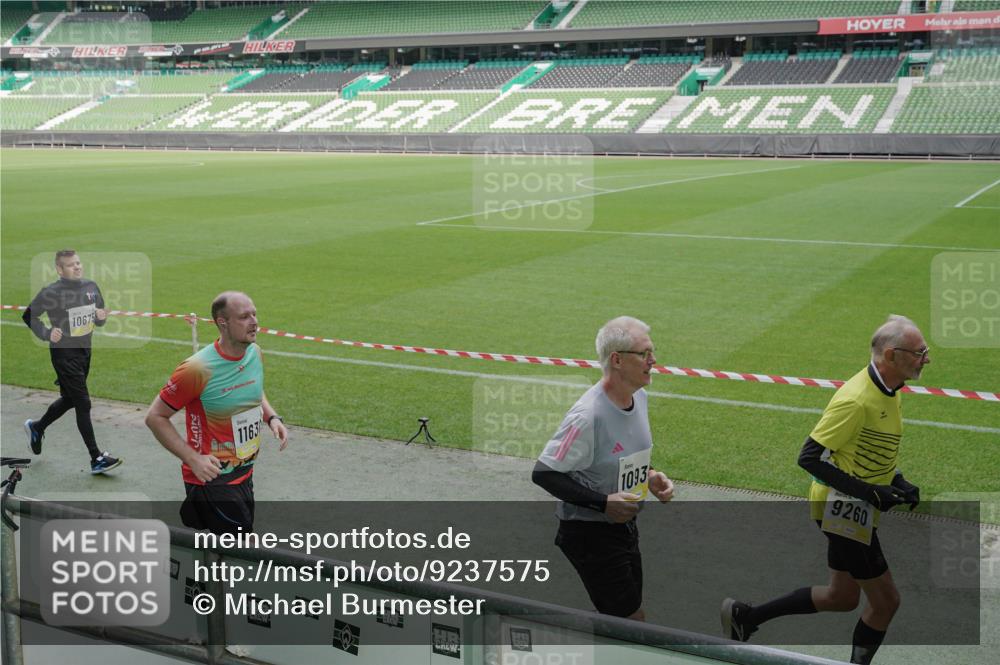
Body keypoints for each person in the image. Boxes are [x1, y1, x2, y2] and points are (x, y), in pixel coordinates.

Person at [721, 315, 928, 665]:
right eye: (920, 351)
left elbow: (865, 449)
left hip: (855, 507)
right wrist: (869, 492)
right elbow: (810, 458)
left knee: (842, 596)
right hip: (842, 512)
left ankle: (746, 616)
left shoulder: (890, 389)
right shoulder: (855, 399)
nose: (926, 358)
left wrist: (896, 481)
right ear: (892, 355)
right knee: (885, 602)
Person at [532, 316, 675, 621]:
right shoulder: (587, 416)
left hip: (624, 526)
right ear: (617, 360)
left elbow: (620, 455)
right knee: (632, 620)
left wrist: (650, 477)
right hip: (588, 534)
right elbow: (544, 473)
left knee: (620, 614)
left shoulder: (640, 398)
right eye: (645, 353)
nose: (654, 360)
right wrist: (603, 503)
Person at [145, 291, 288, 534]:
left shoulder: (254, 352)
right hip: (213, 480)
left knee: (223, 553)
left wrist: (271, 416)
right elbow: (155, 417)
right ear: (223, 323)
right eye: (244, 317)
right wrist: (193, 458)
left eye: (254, 314)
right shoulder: (197, 369)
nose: (254, 322)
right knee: (241, 550)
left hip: (244, 473)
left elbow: (255, 389)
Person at [22, 250, 122, 474]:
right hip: (63, 354)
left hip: (85, 351)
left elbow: (98, 319)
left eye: (78, 263)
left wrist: (101, 317)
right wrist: (47, 333)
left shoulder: (91, 287)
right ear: (60, 270)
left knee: (70, 399)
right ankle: (96, 457)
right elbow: (29, 315)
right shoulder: (51, 292)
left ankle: (36, 427)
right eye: (71, 265)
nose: (77, 267)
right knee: (83, 403)